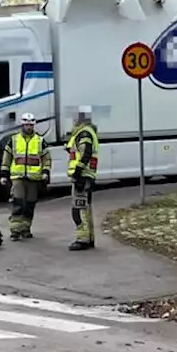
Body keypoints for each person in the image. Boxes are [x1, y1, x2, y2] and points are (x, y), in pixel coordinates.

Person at [0, 112, 50, 241]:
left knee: (29, 204)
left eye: (31, 125)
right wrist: (4, 174)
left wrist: (45, 172)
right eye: (26, 124)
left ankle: (25, 228)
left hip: (34, 178)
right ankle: (15, 230)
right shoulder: (14, 140)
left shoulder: (39, 140)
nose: (28, 127)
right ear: (22, 125)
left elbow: (46, 159)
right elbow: (6, 158)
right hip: (18, 177)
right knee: (18, 202)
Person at [66, 105, 99, 251]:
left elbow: (86, 153)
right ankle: (89, 237)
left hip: (82, 176)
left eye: (76, 117)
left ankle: (83, 239)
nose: (73, 119)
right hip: (87, 175)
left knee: (79, 210)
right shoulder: (88, 132)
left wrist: (77, 172)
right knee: (86, 209)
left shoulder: (84, 133)